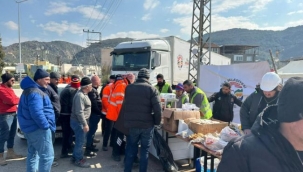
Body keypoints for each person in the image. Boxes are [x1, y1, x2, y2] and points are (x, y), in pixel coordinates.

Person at [217, 77, 303, 172]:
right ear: (292, 115)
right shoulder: (242, 153)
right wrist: (246, 127)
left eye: (270, 90)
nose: (267, 93)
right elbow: (244, 108)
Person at [122, 68, 162, 172]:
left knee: (131, 149)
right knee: (144, 151)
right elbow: (158, 110)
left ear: (138, 77)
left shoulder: (129, 88)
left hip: (132, 124)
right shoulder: (152, 89)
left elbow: (126, 105)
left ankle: (127, 170)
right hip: (147, 125)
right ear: (148, 78)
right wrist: (157, 123)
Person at [18, 69, 55, 172]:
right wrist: (46, 126)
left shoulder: (29, 90)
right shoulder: (35, 93)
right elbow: (37, 113)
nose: (49, 82)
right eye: (46, 79)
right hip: (39, 129)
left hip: (30, 129)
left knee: (33, 155)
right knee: (47, 157)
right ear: (39, 80)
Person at [70, 77, 93, 168]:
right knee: (80, 141)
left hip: (80, 122)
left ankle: (75, 157)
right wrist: (84, 124)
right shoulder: (80, 96)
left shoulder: (84, 93)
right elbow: (79, 112)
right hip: (79, 122)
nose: (92, 87)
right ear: (87, 87)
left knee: (80, 140)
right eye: (91, 85)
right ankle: (79, 160)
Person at [0, 73, 22, 166]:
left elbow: (16, 99)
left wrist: (15, 100)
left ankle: (10, 152)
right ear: (6, 81)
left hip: (13, 113)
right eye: (12, 80)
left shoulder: (10, 89)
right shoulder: (1, 89)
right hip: (5, 115)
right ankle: (0, 156)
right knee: (4, 135)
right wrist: (15, 100)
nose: (13, 82)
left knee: (12, 134)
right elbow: (12, 101)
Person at [107, 74, 130, 161]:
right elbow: (120, 103)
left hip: (116, 115)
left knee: (121, 135)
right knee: (120, 136)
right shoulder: (121, 86)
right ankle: (116, 152)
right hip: (120, 116)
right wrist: (124, 115)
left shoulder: (117, 85)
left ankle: (120, 150)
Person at [59, 75, 81, 158]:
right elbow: (72, 104)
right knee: (67, 134)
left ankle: (69, 148)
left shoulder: (67, 88)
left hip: (64, 114)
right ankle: (64, 152)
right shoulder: (72, 90)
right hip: (67, 115)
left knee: (68, 134)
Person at [44, 72, 61, 167]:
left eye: (58, 79)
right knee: (49, 140)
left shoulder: (53, 88)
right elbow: (47, 105)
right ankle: (48, 160)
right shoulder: (47, 89)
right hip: (49, 119)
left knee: (51, 140)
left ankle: (50, 157)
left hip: (54, 118)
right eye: (56, 79)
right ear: (51, 79)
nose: (58, 81)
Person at [85, 75, 102, 156]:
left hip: (94, 114)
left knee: (92, 132)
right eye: (99, 81)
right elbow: (94, 104)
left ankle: (90, 145)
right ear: (96, 82)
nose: (100, 82)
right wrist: (99, 112)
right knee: (91, 132)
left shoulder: (93, 90)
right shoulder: (92, 91)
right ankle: (88, 149)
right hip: (93, 115)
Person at [101, 75, 116, 151]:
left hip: (113, 113)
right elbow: (104, 100)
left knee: (113, 129)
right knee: (108, 129)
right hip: (107, 113)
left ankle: (111, 143)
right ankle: (105, 144)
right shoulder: (108, 88)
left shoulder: (115, 88)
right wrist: (110, 109)